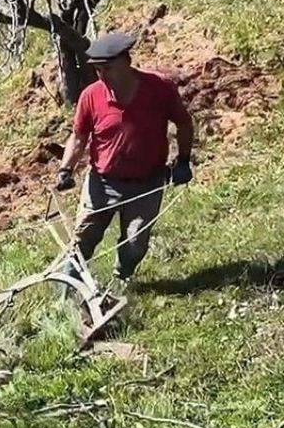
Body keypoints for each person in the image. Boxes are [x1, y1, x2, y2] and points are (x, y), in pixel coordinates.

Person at [54, 31, 195, 283]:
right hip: (103, 183)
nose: (102, 76)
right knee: (83, 238)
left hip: (147, 183)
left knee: (135, 242)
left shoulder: (158, 88)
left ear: (126, 62)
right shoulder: (91, 96)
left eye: (108, 68)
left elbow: (184, 123)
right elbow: (78, 137)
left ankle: (121, 279)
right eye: (98, 70)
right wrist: (65, 170)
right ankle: (68, 287)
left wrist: (183, 160)